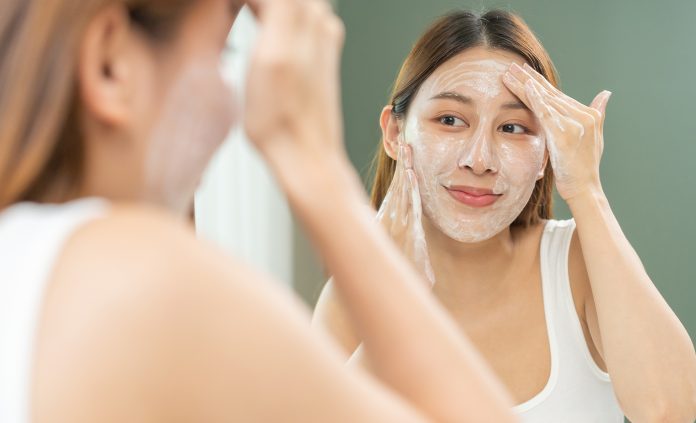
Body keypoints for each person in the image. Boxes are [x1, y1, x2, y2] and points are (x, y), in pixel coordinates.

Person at [0, 0, 520, 422]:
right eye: (221, 53)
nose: (234, 108)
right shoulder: (143, 281)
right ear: (111, 63)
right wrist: (313, 160)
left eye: (512, 126)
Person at [313, 9, 696, 422]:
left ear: (546, 151)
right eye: (450, 120)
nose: (480, 161)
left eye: (513, 128)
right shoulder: (352, 295)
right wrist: (393, 309)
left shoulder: (576, 267)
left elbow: (671, 411)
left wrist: (587, 190)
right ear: (394, 134)